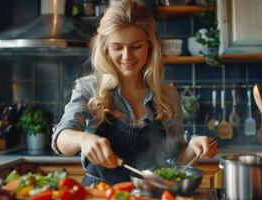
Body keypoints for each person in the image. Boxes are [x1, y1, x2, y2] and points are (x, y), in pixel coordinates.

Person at [51, 0, 217, 186]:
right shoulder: (89, 89)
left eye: (136, 46)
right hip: (101, 195)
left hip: (149, 194)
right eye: (118, 47)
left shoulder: (168, 96)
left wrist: (194, 149)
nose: (127, 56)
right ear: (105, 48)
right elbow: (61, 138)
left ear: (150, 45)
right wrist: (83, 139)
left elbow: (175, 162)